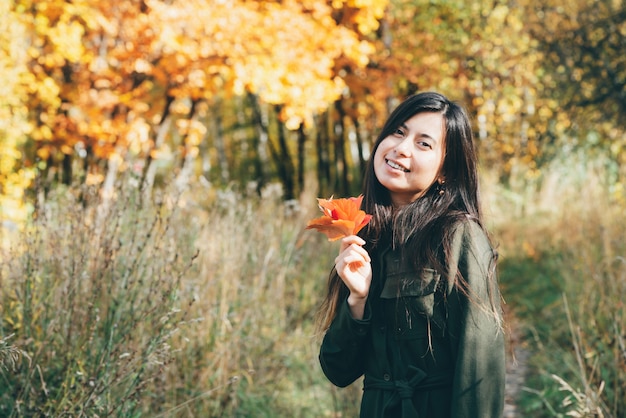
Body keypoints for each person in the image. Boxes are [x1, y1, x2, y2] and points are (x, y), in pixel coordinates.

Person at [316, 92, 505, 417]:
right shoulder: (365, 238)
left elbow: (480, 367)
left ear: (445, 169)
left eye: (424, 143)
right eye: (398, 132)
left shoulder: (459, 236)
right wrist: (357, 301)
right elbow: (338, 369)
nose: (401, 148)